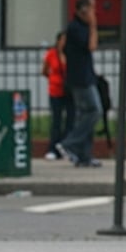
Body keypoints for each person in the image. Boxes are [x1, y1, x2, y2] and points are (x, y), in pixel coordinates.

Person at [55, 0, 103, 168]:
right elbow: (92, 46)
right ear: (83, 11)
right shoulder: (76, 28)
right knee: (94, 111)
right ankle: (69, 143)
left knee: (84, 115)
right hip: (80, 79)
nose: (94, 13)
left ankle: (84, 156)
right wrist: (93, 25)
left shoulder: (79, 27)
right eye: (91, 9)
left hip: (85, 75)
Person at [41, 31, 73, 160]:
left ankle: (66, 146)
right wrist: (52, 79)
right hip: (55, 91)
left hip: (69, 91)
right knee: (56, 120)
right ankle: (53, 148)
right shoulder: (51, 54)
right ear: (58, 41)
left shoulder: (71, 54)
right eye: (63, 40)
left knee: (70, 120)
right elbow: (44, 70)